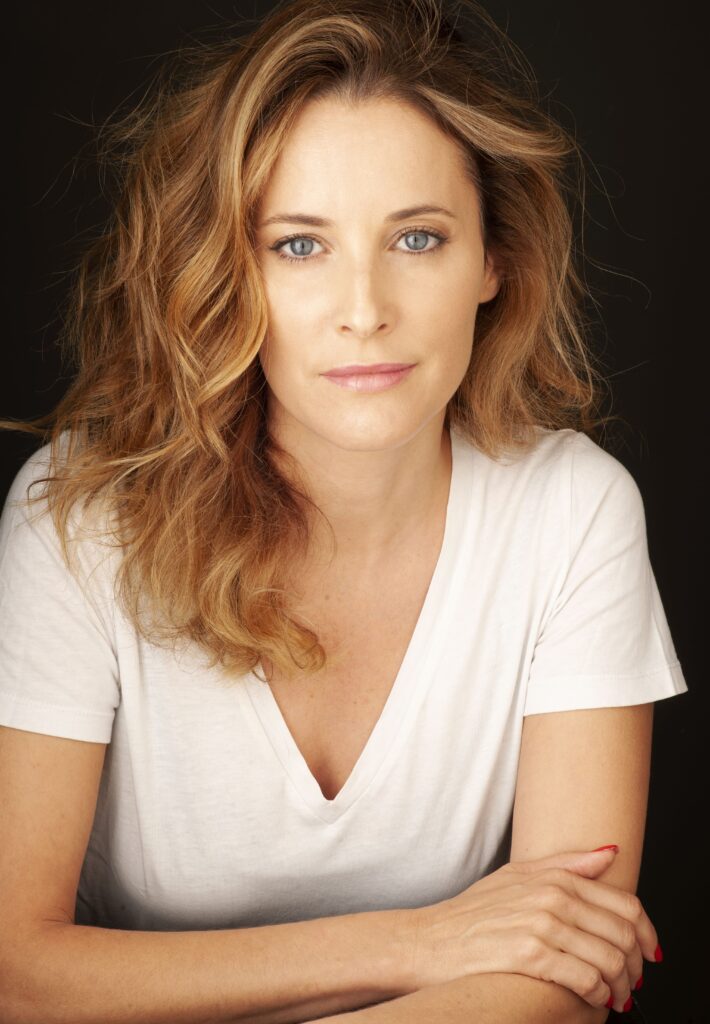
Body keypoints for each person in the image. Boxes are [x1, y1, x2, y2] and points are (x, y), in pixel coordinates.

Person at [0, 0, 688, 1021]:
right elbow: (18, 975)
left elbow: (561, 975)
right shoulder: (78, 521)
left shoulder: (572, 512)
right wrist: (422, 940)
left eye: (416, 237)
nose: (364, 309)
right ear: (225, 271)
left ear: (491, 259)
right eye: (298, 246)